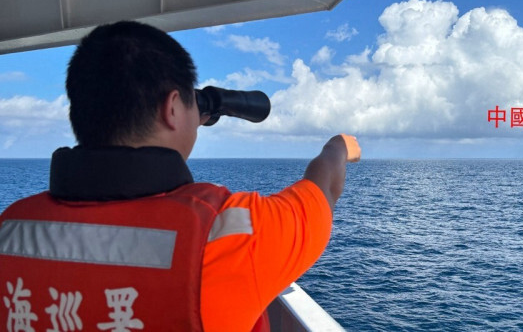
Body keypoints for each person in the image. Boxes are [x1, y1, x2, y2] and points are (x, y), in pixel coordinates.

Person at [0, 21, 360, 331]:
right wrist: (339, 146)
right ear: (172, 108)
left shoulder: (11, 227)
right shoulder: (228, 237)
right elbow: (324, 185)